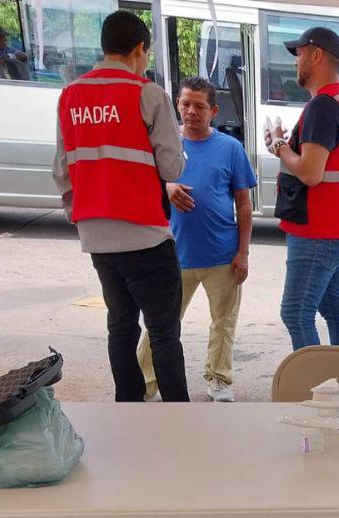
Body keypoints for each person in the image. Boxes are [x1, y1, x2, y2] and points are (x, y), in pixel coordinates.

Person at [52, 9, 189, 403]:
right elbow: (171, 165)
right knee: (163, 333)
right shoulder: (148, 94)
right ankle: (181, 416)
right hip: (145, 233)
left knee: (121, 326)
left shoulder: (70, 95)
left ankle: (127, 408)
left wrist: (81, 218)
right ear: (140, 48)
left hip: (97, 237)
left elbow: (62, 170)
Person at [136, 76, 257, 403]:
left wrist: (243, 253)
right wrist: (167, 187)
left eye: (199, 106)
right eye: (185, 104)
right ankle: (144, 383)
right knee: (160, 326)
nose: (191, 111)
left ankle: (219, 378)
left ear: (213, 110)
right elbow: (139, 187)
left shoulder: (230, 148)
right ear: (177, 105)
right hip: (172, 255)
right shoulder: (163, 146)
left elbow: (244, 205)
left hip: (222, 255)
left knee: (224, 323)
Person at [265, 26, 339, 351]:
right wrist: (283, 143)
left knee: (295, 313)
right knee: (335, 311)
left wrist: (279, 145)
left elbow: (310, 173)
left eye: (300, 53)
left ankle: (318, 389)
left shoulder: (323, 106)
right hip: (335, 230)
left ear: (317, 55)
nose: (295, 61)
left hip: (318, 233)